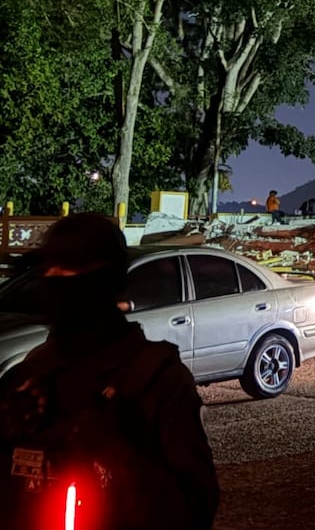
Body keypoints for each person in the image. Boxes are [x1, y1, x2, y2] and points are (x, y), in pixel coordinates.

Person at [0, 212, 219, 529]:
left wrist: (118, 445)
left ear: (106, 283)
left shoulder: (156, 380)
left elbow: (196, 506)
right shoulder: (32, 372)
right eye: (48, 270)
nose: (54, 281)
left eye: (71, 269)